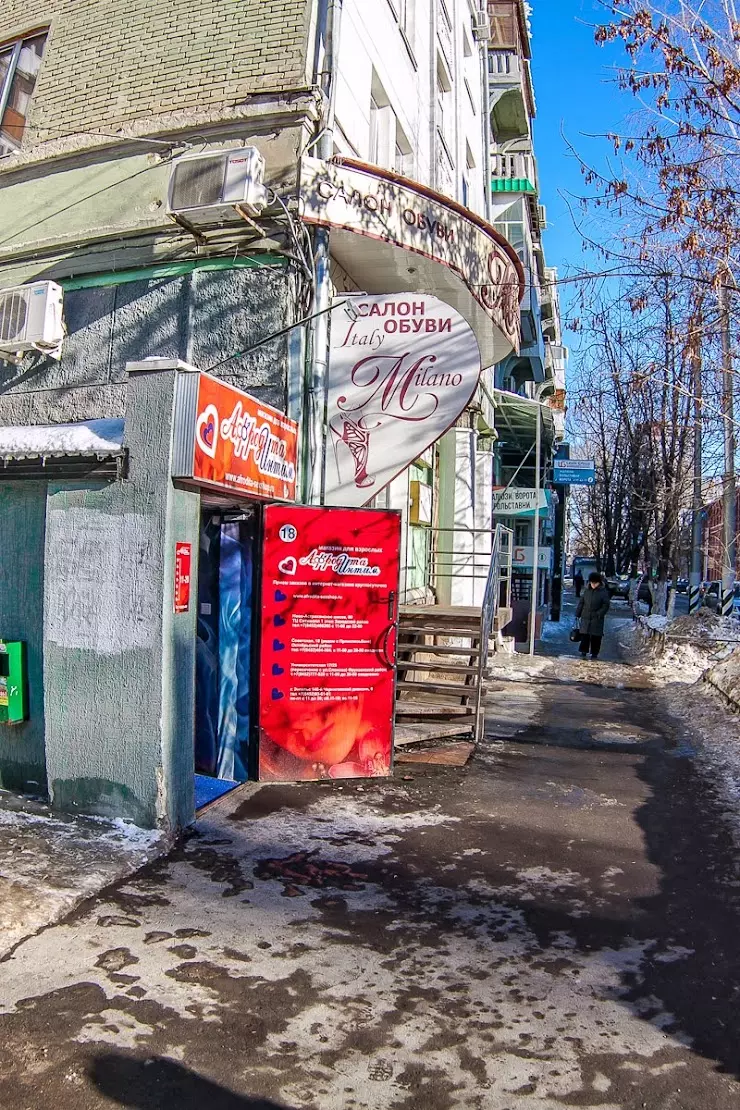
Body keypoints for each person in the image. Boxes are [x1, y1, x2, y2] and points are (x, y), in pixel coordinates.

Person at [575, 572, 611, 660]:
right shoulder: (587, 591)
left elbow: (606, 605)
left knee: (596, 636)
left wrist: (599, 613)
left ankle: (594, 652)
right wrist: (577, 613)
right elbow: (581, 603)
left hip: (597, 617)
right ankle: (583, 650)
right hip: (586, 615)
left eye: (595, 583)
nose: (593, 585)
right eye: (592, 583)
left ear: (599, 583)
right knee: (585, 635)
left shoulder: (603, 592)